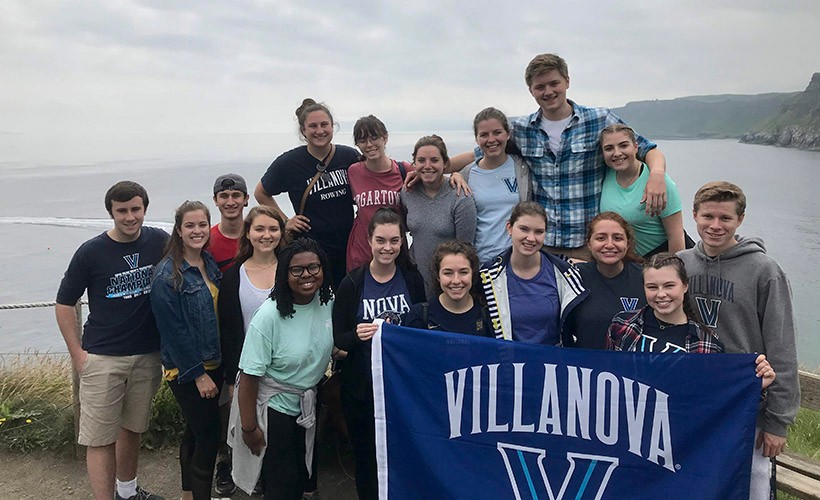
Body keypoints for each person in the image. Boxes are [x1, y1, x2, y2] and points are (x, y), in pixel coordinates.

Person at [447, 53, 668, 261]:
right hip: (543, 247)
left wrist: (656, 176)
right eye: (540, 87)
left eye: (554, 83)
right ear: (531, 91)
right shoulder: (523, 129)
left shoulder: (599, 119)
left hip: (587, 246)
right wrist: (440, 170)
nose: (548, 92)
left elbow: (647, 149)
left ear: (567, 82)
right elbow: (481, 153)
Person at [678, 181, 799, 499]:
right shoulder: (681, 264)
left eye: (725, 218)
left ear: (740, 220)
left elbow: (782, 346)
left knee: (753, 486)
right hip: (696, 400)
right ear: (694, 215)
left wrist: (777, 422)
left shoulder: (765, 271)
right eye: (707, 217)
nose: (715, 226)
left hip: (749, 404)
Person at [55, 181, 167, 500]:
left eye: (135, 209)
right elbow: (64, 303)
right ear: (111, 213)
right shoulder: (91, 252)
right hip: (103, 357)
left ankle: (128, 492)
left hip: (147, 354)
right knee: (100, 438)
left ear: (145, 209)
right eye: (122, 211)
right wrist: (78, 355)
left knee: (132, 428)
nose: (130, 217)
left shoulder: (159, 240)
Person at [332, 207, 426, 500]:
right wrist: (357, 336)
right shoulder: (352, 283)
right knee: (366, 456)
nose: (388, 248)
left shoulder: (412, 278)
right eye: (381, 240)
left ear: (403, 242)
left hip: (403, 386)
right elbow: (338, 338)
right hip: (363, 389)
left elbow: (422, 327)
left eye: (394, 241)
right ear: (369, 240)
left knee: (405, 453)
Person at [232, 238, 335, 500]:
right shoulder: (269, 316)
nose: (307, 276)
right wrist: (249, 428)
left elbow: (328, 342)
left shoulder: (327, 301)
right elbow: (249, 376)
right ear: (284, 274)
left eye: (314, 267)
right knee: (281, 485)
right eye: (297, 270)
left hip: (306, 404)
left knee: (302, 478)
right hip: (273, 409)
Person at [150, 201, 222, 500]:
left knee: (194, 431)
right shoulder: (167, 275)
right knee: (209, 437)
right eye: (190, 226)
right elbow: (172, 331)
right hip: (187, 369)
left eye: (202, 225)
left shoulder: (209, 262)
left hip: (214, 360)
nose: (197, 231)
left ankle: (188, 493)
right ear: (178, 231)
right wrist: (198, 375)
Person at [215, 205, 288, 496]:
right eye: (259, 229)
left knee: (283, 435)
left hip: (287, 370)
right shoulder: (234, 276)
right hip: (250, 371)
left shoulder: (292, 268)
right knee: (251, 429)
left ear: (282, 233)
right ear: (248, 233)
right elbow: (230, 331)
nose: (266, 235)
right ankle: (250, 479)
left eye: (273, 228)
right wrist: (232, 379)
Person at [254, 98, 360, 288]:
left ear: (332, 126)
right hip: (312, 253)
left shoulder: (349, 156)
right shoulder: (289, 163)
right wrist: (285, 221)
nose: (319, 131)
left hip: (348, 247)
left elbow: (373, 177)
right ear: (303, 131)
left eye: (324, 124)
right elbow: (261, 193)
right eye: (312, 126)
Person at [479, 201, 587, 344]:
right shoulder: (488, 276)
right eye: (524, 229)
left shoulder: (564, 273)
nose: (531, 238)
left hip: (553, 362)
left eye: (539, 232)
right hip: (509, 361)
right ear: (509, 228)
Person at [599, 124, 688, 257]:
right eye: (609, 148)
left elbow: (676, 236)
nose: (617, 153)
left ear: (636, 147)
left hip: (658, 260)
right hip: (627, 263)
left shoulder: (659, 182)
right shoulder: (606, 174)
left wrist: (673, 271)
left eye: (623, 145)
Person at [402, 134, 477, 293]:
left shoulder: (460, 197)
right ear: (414, 164)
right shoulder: (408, 191)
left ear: (446, 164)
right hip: (415, 280)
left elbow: (466, 250)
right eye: (421, 161)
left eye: (434, 160)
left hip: (449, 284)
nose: (427, 166)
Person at [563, 212, 646, 349]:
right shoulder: (575, 277)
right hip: (586, 366)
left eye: (617, 238)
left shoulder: (644, 277)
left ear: (628, 243)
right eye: (601, 238)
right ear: (588, 244)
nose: (609, 244)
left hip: (632, 366)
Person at [461, 107, 532, 263]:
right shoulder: (466, 174)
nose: (491, 139)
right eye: (484, 135)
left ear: (508, 134)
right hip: (481, 261)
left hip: (516, 260)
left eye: (497, 132)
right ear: (476, 139)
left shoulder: (522, 169)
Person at [345, 115, 413, 272]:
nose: (369, 144)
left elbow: (435, 181)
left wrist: (457, 176)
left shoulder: (404, 170)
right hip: (361, 252)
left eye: (374, 137)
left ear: (385, 138)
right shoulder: (353, 171)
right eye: (362, 140)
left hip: (393, 252)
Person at [403, 240, 493, 337]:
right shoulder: (419, 315)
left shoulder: (488, 314)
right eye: (448, 273)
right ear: (438, 276)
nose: (456, 280)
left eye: (463, 272)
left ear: (473, 274)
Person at [209, 173, 249, 273]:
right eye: (224, 196)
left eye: (236, 195)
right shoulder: (206, 240)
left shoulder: (259, 237)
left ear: (246, 199)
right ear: (215, 200)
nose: (230, 202)